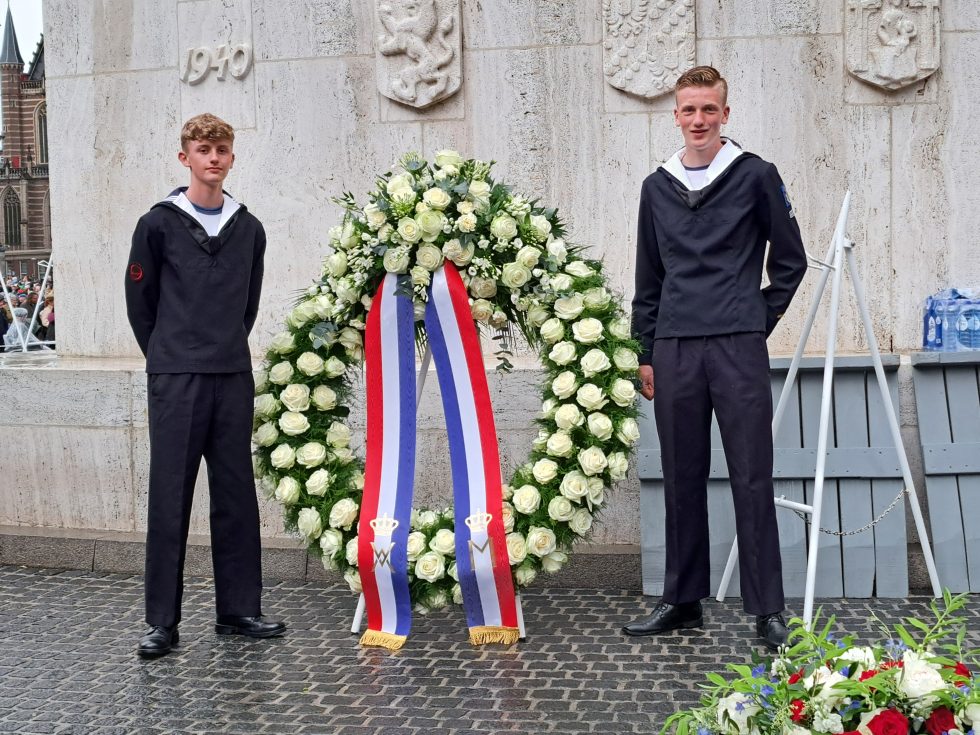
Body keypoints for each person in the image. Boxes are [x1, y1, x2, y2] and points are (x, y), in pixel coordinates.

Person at [623, 66, 808, 650]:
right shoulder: (657, 186)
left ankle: (768, 611)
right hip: (675, 347)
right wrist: (645, 350)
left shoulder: (755, 175)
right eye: (688, 111)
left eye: (708, 110)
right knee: (680, 474)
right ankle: (682, 600)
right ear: (675, 115)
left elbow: (791, 260)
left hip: (736, 345)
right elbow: (647, 278)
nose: (698, 120)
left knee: (752, 474)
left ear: (725, 114)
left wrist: (756, 318)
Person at [125, 113, 285, 658]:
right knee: (171, 495)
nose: (212, 157)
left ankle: (239, 608)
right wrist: (169, 355)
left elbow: (249, 305)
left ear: (232, 158)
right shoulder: (157, 224)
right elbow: (140, 304)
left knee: (236, 494)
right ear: (184, 157)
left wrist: (219, 349)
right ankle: (162, 623)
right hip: (175, 378)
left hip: (231, 374)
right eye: (202, 148)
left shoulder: (250, 228)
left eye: (221, 149)